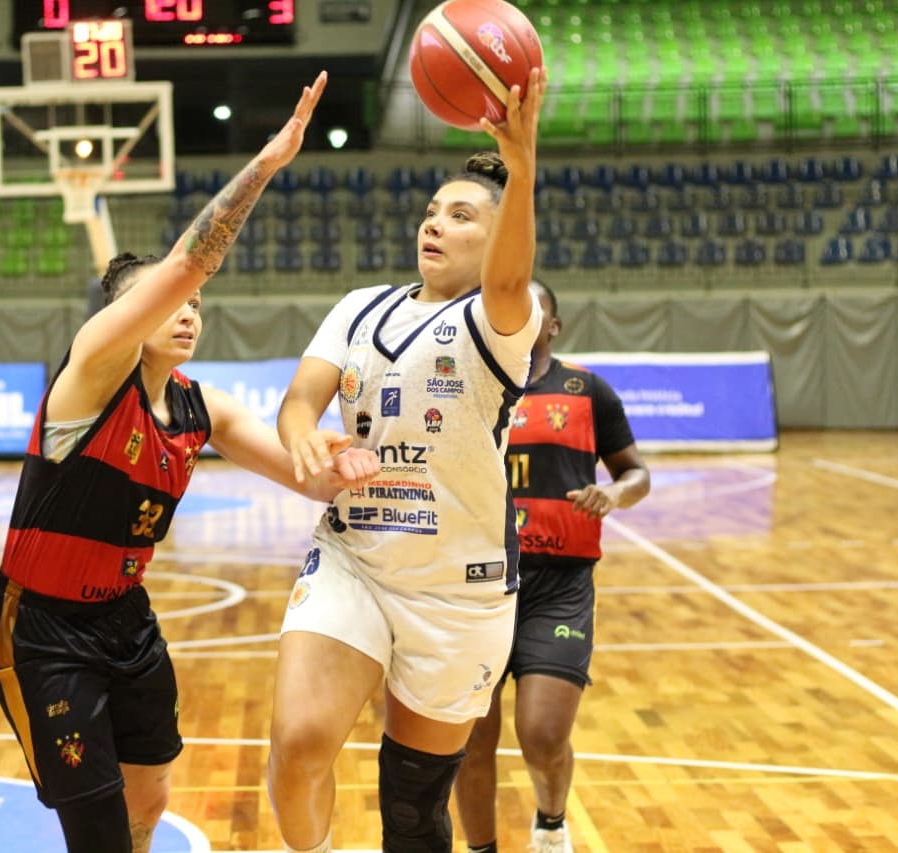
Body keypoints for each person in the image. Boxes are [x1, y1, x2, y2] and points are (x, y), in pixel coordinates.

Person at [0, 71, 378, 853]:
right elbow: (190, 264)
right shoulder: (93, 369)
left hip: (125, 615)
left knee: (151, 794)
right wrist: (264, 165)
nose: (187, 311)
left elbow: (307, 477)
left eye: (194, 306)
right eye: (170, 303)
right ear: (129, 317)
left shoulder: (204, 407)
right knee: (94, 822)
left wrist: (345, 461)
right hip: (44, 621)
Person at [268, 66, 548, 853]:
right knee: (297, 741)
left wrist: (519, 170)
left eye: (461, 215)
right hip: (354, 555)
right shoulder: (359, 306)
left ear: (495, 238)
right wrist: (304, 437)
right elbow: (298, 403)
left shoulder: (500, 323)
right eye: (432, 210)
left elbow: (515, 275)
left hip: (458, 592)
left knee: (414, 809)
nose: (435, 223)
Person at [453, 279, 651, 853]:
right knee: (471, 743)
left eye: (531, 304)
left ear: (553, 324)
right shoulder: (466, 389)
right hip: (476, 586)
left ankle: (550, 818)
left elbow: (636, 472)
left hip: (559, 586)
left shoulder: (588, 390)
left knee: (541, 734)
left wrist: (615, 495)